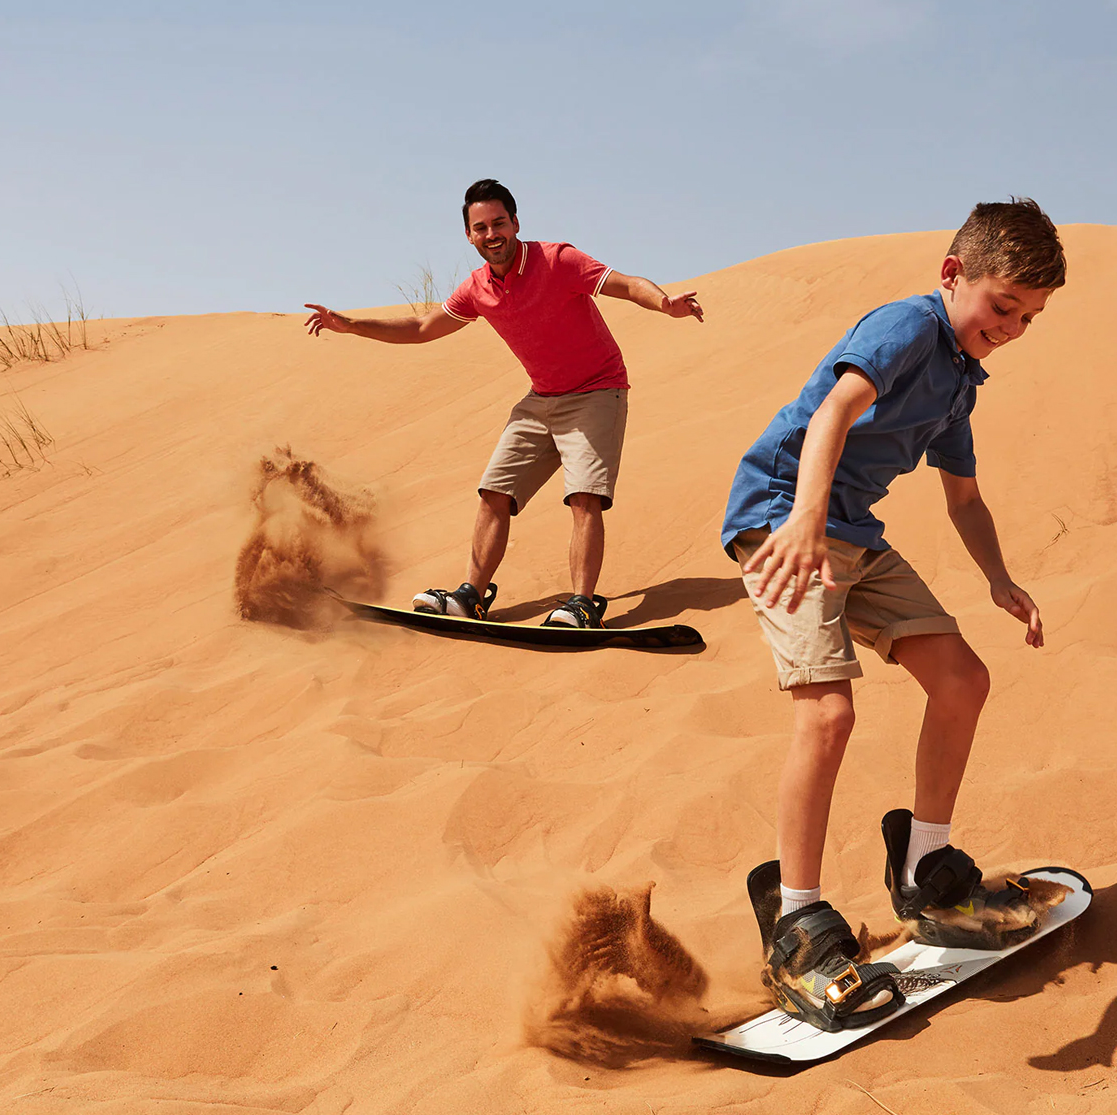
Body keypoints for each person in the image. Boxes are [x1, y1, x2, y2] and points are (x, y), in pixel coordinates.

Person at [718, 198, 1064, 1031]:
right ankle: (797, 922)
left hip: (852, 538)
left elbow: (965, 497)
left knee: (962, 679)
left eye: (1030, 316)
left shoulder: (959, 382)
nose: (1012, 326)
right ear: (953, 276)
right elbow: (834, 410)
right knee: (828, 711)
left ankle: (924, 866)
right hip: (780, 519)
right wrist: (802, 516)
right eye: (1002, 306)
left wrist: (997, 576)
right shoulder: (908, 325)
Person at [303, 179, 703, 628]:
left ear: (515, 223)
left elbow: (625, 285)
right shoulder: (477, 287)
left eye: (498, 223)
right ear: (469, 236)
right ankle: (470, 596)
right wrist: (351, 325)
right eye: (480, 228)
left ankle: (582, 604)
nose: (491, 234)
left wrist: (665, 303)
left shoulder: (558, 260)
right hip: (542, 399)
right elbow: (421, 328)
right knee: (495, 492)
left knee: (584, 497)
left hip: (597, 391)